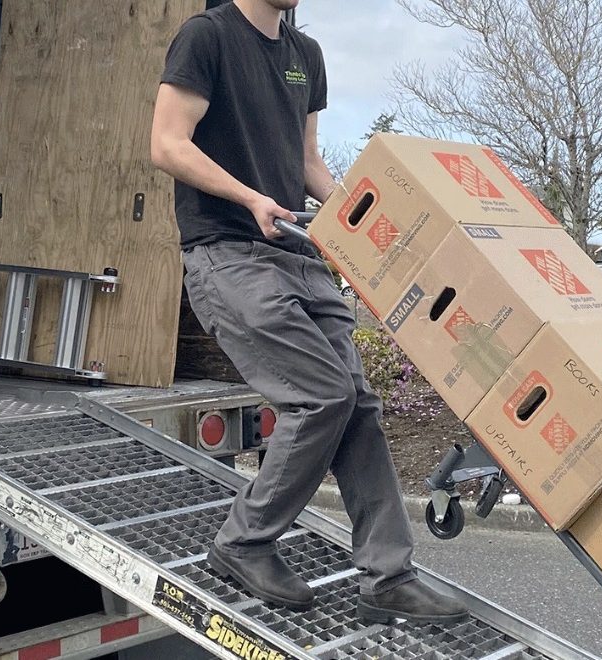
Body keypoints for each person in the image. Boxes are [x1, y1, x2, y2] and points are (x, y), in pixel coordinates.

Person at [149, 0, 467, 624]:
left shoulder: (305, 55)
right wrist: (250, 199)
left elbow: (306, 163)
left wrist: (368, 223)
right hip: (228, 254)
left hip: (297, 251)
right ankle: (243, 541)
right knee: (321, 395)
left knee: (359, 403)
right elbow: (167, 143)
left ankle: (387, 576)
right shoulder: (205, 38)